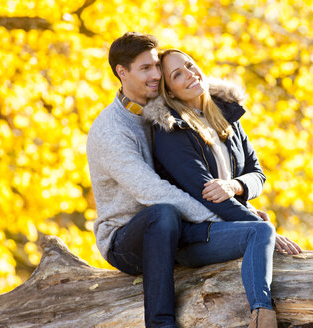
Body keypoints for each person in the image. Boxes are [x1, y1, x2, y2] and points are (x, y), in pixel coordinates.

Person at [87, 32, 301, 328]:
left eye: (156, 68)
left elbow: (255, 172)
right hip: (126, 238)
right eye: (146, 68)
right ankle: (161, 324)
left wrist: (242, 202)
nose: (155, 75)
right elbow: (154, 191)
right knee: (163, 214)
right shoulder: (112, 130)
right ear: (122, 73)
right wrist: (233, 221)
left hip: (180, 228)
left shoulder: (169, 114)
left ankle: (262, 312)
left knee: (170, 218)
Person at [143, 49, 301, 328]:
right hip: (193, 234)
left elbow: (257, 175)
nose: (190, 74)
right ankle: (263, 317)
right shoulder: (171, 131)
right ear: (170, 92)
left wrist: (236, 185)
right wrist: (264, 231)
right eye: (177, 75)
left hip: (231, 222)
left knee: (261, 231)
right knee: (261, 230)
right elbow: (208, 196)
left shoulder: (225, 115)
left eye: (190, 65)